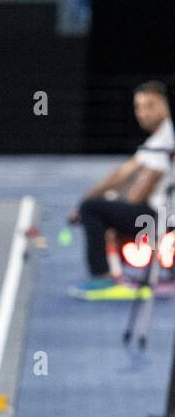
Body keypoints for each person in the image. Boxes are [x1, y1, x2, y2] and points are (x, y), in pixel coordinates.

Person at [68, 81, 175, 300]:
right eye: (138, 107)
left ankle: (104, 278)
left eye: (150, 106)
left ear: (165, 106)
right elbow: (122, 174)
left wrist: (86, 205)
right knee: (103, 204)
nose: (143, 113)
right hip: (160, 214)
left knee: (93, 209)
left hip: (163, 219)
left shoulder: (167, 140)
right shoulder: (158, 139)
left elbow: (138, 194)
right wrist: (104, 198)